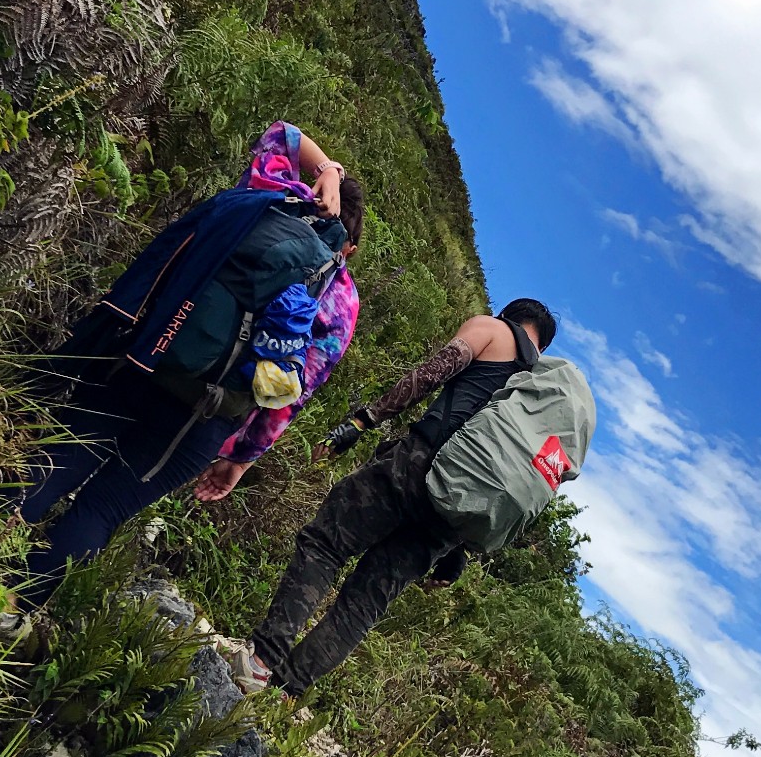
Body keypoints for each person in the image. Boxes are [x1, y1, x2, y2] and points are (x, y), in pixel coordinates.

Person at [19, 123, 363, 574]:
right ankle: (9, 614)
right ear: (348, 247)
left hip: (145, 355)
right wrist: (239, 459)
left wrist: (329, 168)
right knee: (100, 511)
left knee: (61, 456)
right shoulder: (340, 300)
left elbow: (284, 134)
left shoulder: (268, 195)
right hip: (202, 415)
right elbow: (287, 394)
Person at [231, 298, 558, 696]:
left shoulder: (493, 330)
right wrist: (460, 549)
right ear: (544, 347)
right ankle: (285, 693)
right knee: (366, 601)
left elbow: (430, 374)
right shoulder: (538, 398)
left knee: (327, 545)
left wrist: (362, 420)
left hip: (417, 468)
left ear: (512, 316)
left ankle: (260, 661)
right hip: (456, 517)